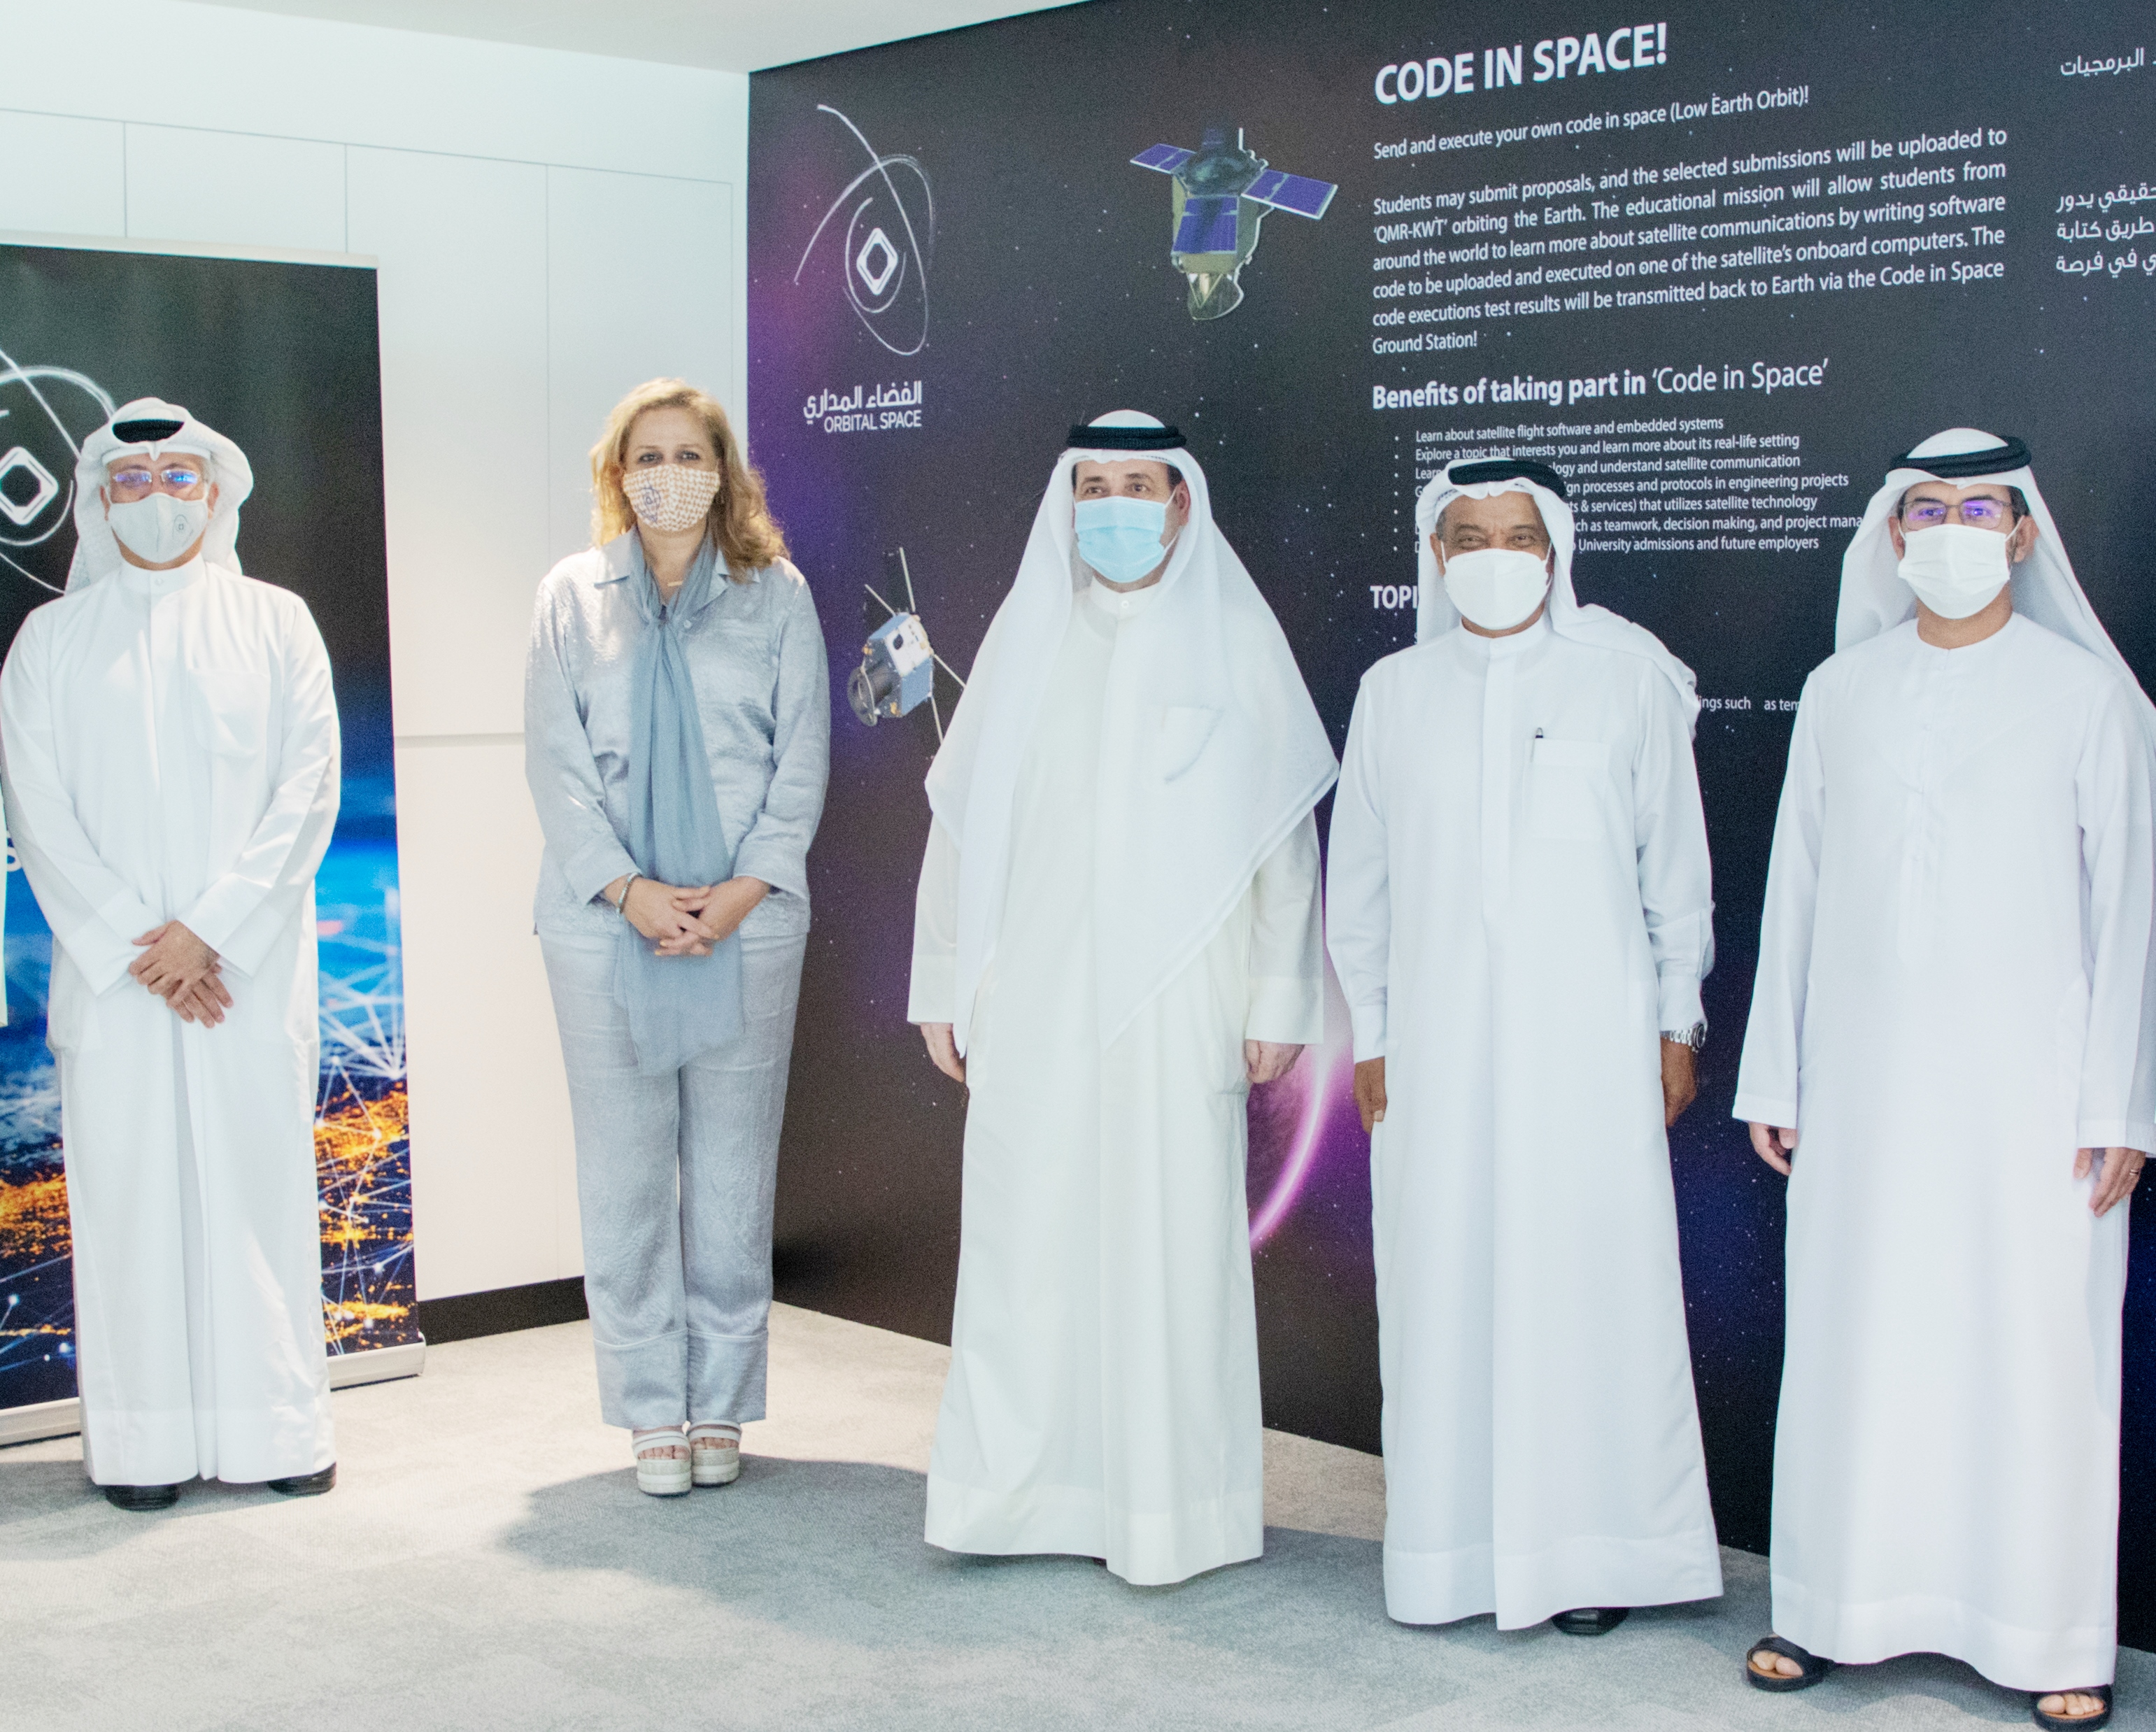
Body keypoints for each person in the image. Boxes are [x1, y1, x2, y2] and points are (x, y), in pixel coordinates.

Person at [1734, 430, 2155, 1731]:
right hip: (1861, 1089)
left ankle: (2046, 1634)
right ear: (1893, 534)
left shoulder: (2087, 698)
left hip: (2032, 1101)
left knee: (2032, 1351)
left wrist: (2119, 1104)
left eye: (1981, 510)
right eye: (1929, 509)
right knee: (1858, 1340)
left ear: (2022, 535)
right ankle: (1831, 1609)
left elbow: (2130, 912)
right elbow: (1795, 892)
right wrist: (1774, 1075)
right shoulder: (1840, 690)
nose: (1955, 531)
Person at [908, 411, 1335, 1584]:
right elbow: (959, 829)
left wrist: (1278, 1000)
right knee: (1026, 1244)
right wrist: (943, 979)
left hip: (1182, 1003)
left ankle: (1168, 1513)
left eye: (1137, 485)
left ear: (1180, 502)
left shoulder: (1235, 643)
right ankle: (1012, 1499)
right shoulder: (1027, 639)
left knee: (1170, 1251)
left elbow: (1280, 846)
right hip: (1032, 996)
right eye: (1092, 486)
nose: (1113, 507)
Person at [1325, 456, 1722, 1635]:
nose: (1492, 557)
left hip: (1590, 1048)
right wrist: (1373, 1032)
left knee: (1590, 1287)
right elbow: (1361, 884)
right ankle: (1452, 1556)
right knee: (1445, 1285)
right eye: (1468, 537)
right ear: (1436, 555)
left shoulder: (1625, 682)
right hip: (1436, 1054)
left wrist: (1676, 1020)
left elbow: (1674, 871)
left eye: (1516, 536)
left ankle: (1593, 1556)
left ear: (1553, 552)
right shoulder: (1393, 691)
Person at [0, 399, 341, 1510]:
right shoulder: (50, 643)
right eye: (133, 481)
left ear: (217, 490)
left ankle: (278, 1430)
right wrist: (137, 944)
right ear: (101, 502)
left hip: (243, 973)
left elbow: (306, 792)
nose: (158, 499)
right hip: (120, 985)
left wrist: (211, 934)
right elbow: (37, 811)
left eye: (178, 477)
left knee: (258, 1191)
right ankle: (140, 1447)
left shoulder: (277, 623)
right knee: (128, 1203)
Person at [525, 378, 828, 1497]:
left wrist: (740, 891)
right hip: (604, 924)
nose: (669, 474)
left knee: (735, 1172)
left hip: (748, 921)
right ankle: (651, 1404)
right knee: (624, 1172)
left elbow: (802, 755)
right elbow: (555, 762)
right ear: (618, 474)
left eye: (689, 454)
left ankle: (722, 1403)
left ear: (723, 470)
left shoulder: (775, 593)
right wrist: (630, 891)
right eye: (647, 456)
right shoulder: (571, 596)